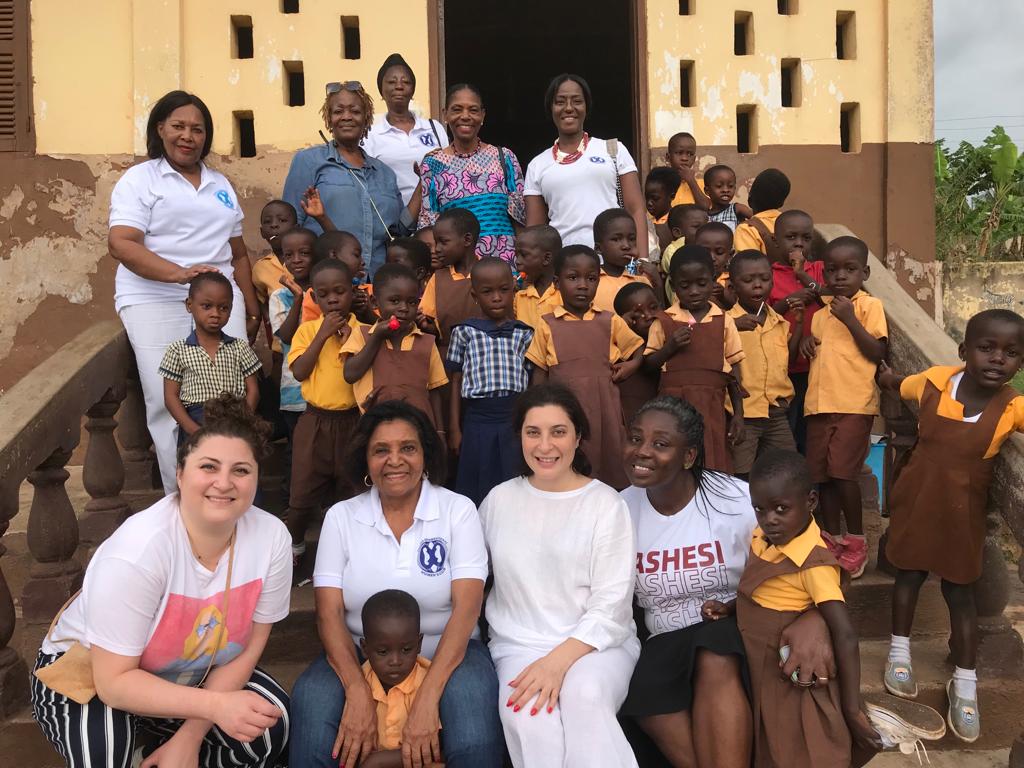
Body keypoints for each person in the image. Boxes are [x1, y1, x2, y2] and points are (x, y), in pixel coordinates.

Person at [32, 396, 291, 767]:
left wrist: (191, 736)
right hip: (92, 670)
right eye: (209, 466)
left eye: (241, 470)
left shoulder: (272, 539)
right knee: (105, 752)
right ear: (181, 474)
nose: (224, 482)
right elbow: (114, 683)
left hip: (190, 670)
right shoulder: (137, 553)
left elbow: (251, 645)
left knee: (266, 722)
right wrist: (216, 706)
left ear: (255, 479)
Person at [620, 398, 870, 768]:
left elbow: (815, 555)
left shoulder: (738, 500)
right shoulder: (617, 510)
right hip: (665, 636)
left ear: (689, 456)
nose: (642, 451)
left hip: (733, 628)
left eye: (660, 443)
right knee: (644, 687)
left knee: (714, 651)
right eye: (636, 439)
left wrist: (815, 616)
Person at [289, 401, 503, 768]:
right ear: (366, 461)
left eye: (408, 447)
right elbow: (329, 614)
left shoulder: (457, 511)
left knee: (472, 741)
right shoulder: (342, 517)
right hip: (361, 656)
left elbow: (467, 610)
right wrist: (357, 689)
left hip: (449, 653)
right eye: (381, 450)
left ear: (425, 455)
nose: (395, 460)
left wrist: (427, 695)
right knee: (312, 713)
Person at [737, 450, 946, 767]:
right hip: (758, 659)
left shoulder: (813, 562)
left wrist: (851, 706)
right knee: (770, 737)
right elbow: (760, 590)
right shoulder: (763, 537)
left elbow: (844, 634)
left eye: (781, 509)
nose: (770, 519)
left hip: (790, 663)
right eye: (760, 509)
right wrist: (729, 607)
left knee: (807, 742)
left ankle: (868, 721)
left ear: (810, 502)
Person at [877, 309, 1024, 742]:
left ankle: (965, 682)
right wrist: (884, 376)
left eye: (1011, 353)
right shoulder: (936, 380)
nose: (997, 359)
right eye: (986, 348)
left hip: (963, 514)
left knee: (960, 592)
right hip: (918, 497)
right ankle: (898, 654)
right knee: (908, 575)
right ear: (964, 352)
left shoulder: (1013, 406)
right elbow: (897, 386)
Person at [480, 384, 641, 767]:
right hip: (519, 646)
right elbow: (469, 579)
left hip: (597, 645)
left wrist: (557, 663)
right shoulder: (498, 501)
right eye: (533, 432)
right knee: (531, 719)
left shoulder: (606, 504)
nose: (545, 445)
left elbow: (612, 606)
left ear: (578, 437)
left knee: (583, 696)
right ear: (519, 436)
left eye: (558, 431)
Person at [109, 90, 261, 493]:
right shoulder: (140, 180)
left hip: (219, 302)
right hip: (154, 299)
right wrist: (178, 275)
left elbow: (238, 252)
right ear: (160, 129)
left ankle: (230, 492)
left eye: (197, 129)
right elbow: (122, 243)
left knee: (231, 395)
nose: (188, 136)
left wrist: (250, 304)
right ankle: (184, 497)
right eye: (178, 126)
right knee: (166, 401)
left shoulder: (220, 183)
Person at [800, 236, 887, 578]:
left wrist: (851, 319)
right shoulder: (820, 316)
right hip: (818, 405)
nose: (839, 277)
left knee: (843, 473)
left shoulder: (869, 307)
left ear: (864, 272)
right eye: (832, 270)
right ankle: (831, 538)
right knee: (821, 476)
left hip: (853, 404)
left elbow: (876, 352)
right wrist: (807, 341)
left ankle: (856, 541)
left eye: (849, 270)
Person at [526, 245, 644, 489]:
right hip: (565, 410)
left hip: (605, 409)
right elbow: (539, 373)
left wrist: (633, 365)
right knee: (570, 465)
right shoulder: (548, 324)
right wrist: (536, 411)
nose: (582, 285)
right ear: (557, 283)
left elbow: (638, 347)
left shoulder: (609, 320)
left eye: (591, 279)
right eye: (573, 278)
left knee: (609, 465)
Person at [283, 81, 419, 276]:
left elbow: (400, 230)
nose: (346, 117)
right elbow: (291, 226)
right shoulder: (309, 161)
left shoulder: (384, 173)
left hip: (376, 285)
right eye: (338, 111)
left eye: (355, 111)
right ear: (329, 119)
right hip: (327, 285)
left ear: (366, 118)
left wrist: (424, 184)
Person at [645, 245, 746, 473]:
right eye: (685, 285)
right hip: (673, 408)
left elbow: (734, 374)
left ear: (714, 280)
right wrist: (669, 347)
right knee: (676, 460)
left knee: (713, 460)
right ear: (673, 285)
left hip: (712, 405)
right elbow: (649, 364)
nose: (693, 291)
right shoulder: (664, 320)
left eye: (702, 284)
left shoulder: (724, 320)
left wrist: (739, 414)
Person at [286, 258, 362, 562]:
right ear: (314, 298)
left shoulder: (363, 330)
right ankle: (295, 549)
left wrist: (350, 341)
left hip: (353, 422)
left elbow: (358, 372)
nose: (332, 299)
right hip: (315, 422)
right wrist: (322, 335)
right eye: (324, 293)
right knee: (302, 494)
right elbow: (301, 371)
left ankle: (349, 554)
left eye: (340, 291)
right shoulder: (307, 332)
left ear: (351, 292)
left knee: (352, 490)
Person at [525, 73, 648, 250]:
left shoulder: (613, 149)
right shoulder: (537, 165)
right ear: (550, 108)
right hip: (565, 266)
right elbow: (535, 230)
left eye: (577, 101)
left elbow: (635, 209)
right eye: (560, 102)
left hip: (613, 262)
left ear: (586, 107)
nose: (569, 108)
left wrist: (642, 259)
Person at [447, 258, 534, 505]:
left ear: (513, 290)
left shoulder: (524, 333)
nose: (496, 297)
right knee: (478, 478)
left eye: (503, 290)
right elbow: (455, 380)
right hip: (477, 418)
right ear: (475, 295)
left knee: (514, 477)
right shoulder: (464, 332)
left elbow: (531, 380)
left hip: (514, 417)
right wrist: (455, 428)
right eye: (487, 292)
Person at [418, 83, 525, 263]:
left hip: (506, 270)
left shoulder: (504, 158)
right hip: (459, 272)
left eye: (473, 110)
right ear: (445, 114)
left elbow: (520, 223)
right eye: (457, 109)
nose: (465, 116)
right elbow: (429, 226)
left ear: (482, 115)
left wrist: (524, 271)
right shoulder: (432, 164)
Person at [341, 263, 448, 431]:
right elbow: (350, 374)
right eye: (395, 301)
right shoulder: (362, 334)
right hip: (375, 428)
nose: (404, 308)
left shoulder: (425, 341)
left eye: (412, 302)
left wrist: (440, 432)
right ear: (375, 302)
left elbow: (434, 392)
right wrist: (376, 337)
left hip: (419, 428)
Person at [160, 272, 262, 446]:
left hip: (235, 418)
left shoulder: (239, 347)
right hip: (196, 420)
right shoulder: (177, 350)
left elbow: (253, 391)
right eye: (207, 306)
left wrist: (243, 422)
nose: (215, 314)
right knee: (198, 470)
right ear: (189, 305)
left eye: (224, 308)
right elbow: (171, 397)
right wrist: (192, 429)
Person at [727, 250, 802, 478]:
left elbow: (788, 360)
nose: (757, 286)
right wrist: (732, 326)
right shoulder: (726, 323)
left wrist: (798, 325)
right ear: (733, 287)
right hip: (744, 415)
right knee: (741, 474)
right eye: (748, 280)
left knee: (786, 469)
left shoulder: (779, 323)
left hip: (776, 413)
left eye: (764, 279)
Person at [763, 209, 824, 452]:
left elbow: (830, 299)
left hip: (816, 367)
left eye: (806, 238)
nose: (799, 243)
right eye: (791, 237)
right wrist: (791, 299)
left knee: (811, 433)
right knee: (786, 431)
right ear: (776, 240)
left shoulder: (819, 270)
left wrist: (802, 275)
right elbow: (764, 316)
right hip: (784, 368)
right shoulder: (768, 275)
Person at [357, 589, 438, 768]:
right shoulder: (360, 683)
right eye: (383, 652)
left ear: (419, 645)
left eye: (406, 649)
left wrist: (377, 762)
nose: (395, 661)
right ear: (365, 648)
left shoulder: (427, 683)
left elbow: (439, 746)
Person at [268, 227, 321, 493]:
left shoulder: (327, 292)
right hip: (294, 391)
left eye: (304, 253)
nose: (296, 259)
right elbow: (286, 335)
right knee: (297, 450)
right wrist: (299, 298)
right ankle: (294, 503)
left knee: (322, 452)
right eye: (289, 255)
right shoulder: (280, 297)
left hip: (325, 390)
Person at [363, 53, 449, 205]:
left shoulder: (434, 128)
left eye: (406, 82)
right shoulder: (370, 134)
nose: (399, 86)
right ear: (381, 90)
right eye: (391, 82)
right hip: (392, 218)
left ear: (413, 89)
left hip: (435, 215)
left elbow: (448, 171)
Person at [419, 208, 483, 360]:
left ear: (467, 240)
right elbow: (434, 328)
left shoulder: (491, 272)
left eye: (443, 242)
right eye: (436, 243)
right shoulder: (438, 279)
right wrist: (425, 326)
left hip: (487, 357)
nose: (437, 249)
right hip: (447, 359)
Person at [592, 208, 662, 313]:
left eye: (632, 239)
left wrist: (657, 283)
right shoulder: (591, 282)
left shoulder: (641, 281)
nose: (626, 245)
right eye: (616, 239)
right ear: (598, 248)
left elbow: (659, 317)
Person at [613, 283, 662, 425]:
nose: (648, 316)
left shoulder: (672, 339)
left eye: (653, 308)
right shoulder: (619, 353)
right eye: (638, 314)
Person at [513, 224, 562, 330]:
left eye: (524, 255)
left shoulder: (565, 294)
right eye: (516, 255)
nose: (517, 261)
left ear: (546, 258)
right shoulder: (520, 297)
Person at [660, 204, 709, 303]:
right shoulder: (673, 250)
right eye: (696, 227)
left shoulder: (705, 247)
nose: (704, 231)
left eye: (706, 226)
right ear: (677, 232)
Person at [733, 168, 790, 254]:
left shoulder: (747, 229)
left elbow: (748, 264)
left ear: (750, 200)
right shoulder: (791, 224)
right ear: (781, 203)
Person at [693, 221, 737, 310]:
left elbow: (738, 309)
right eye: (705, 251)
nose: (712, 258)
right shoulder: (689, 278)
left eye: (719, 252)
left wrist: (723, 297)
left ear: (730, 254)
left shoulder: (733, 280)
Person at [664, 132, 711, 210]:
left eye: (689, 154)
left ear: (694, 159)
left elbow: (706, 207)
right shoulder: (662, 183)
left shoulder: (703, 184)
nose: (684, 158)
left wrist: (691, 181)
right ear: (668, 157)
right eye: (679, 153)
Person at [703, 164, 752, 231]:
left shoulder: (737, 209)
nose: (726, 190)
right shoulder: (704, 216)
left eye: (730, 186)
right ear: (707, 191)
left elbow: (759, 220)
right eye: (719, 186)